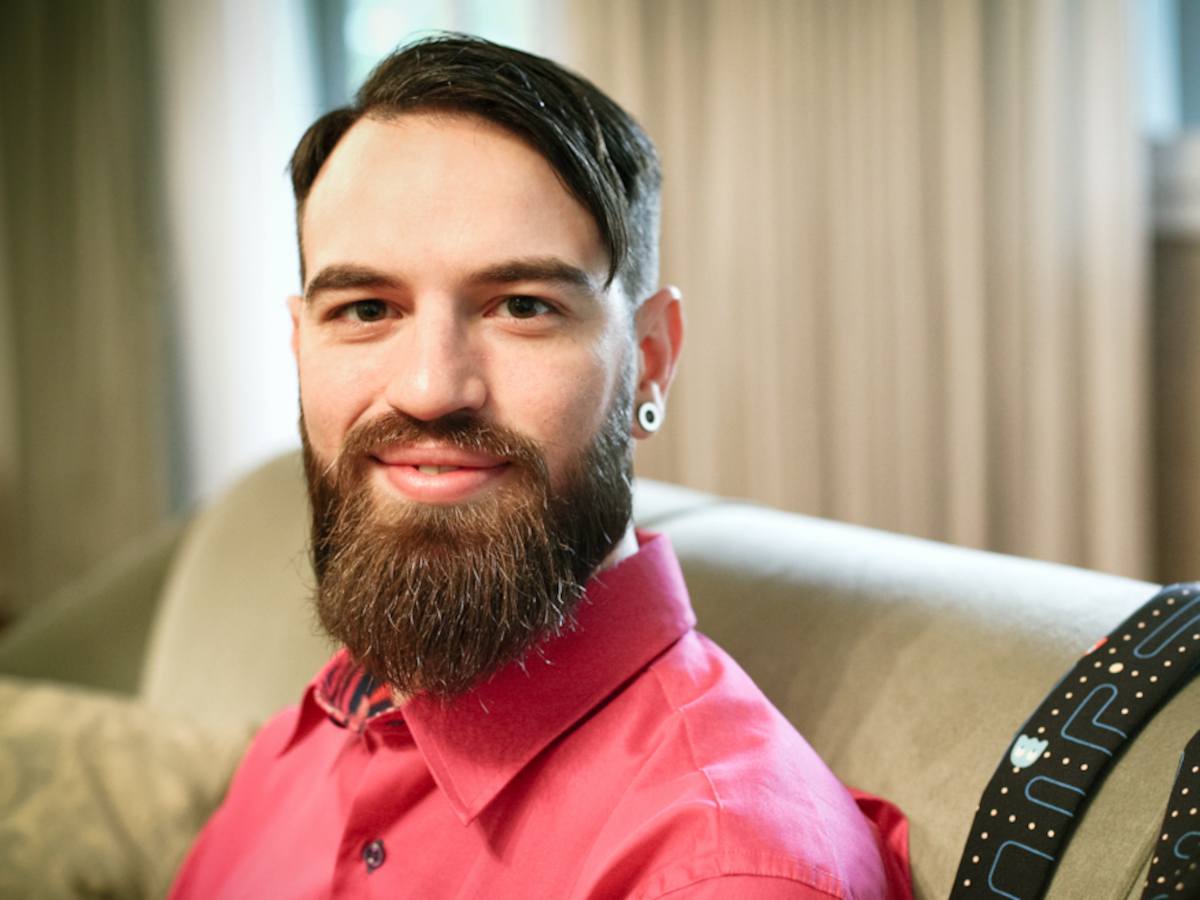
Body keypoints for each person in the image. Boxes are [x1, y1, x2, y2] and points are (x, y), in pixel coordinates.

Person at [169, 33, 910, 899]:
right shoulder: (304, 736)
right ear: (301, 349)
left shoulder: (723, 870)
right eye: (366, 308)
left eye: (522, 306)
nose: (430, 388)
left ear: (652, 358)